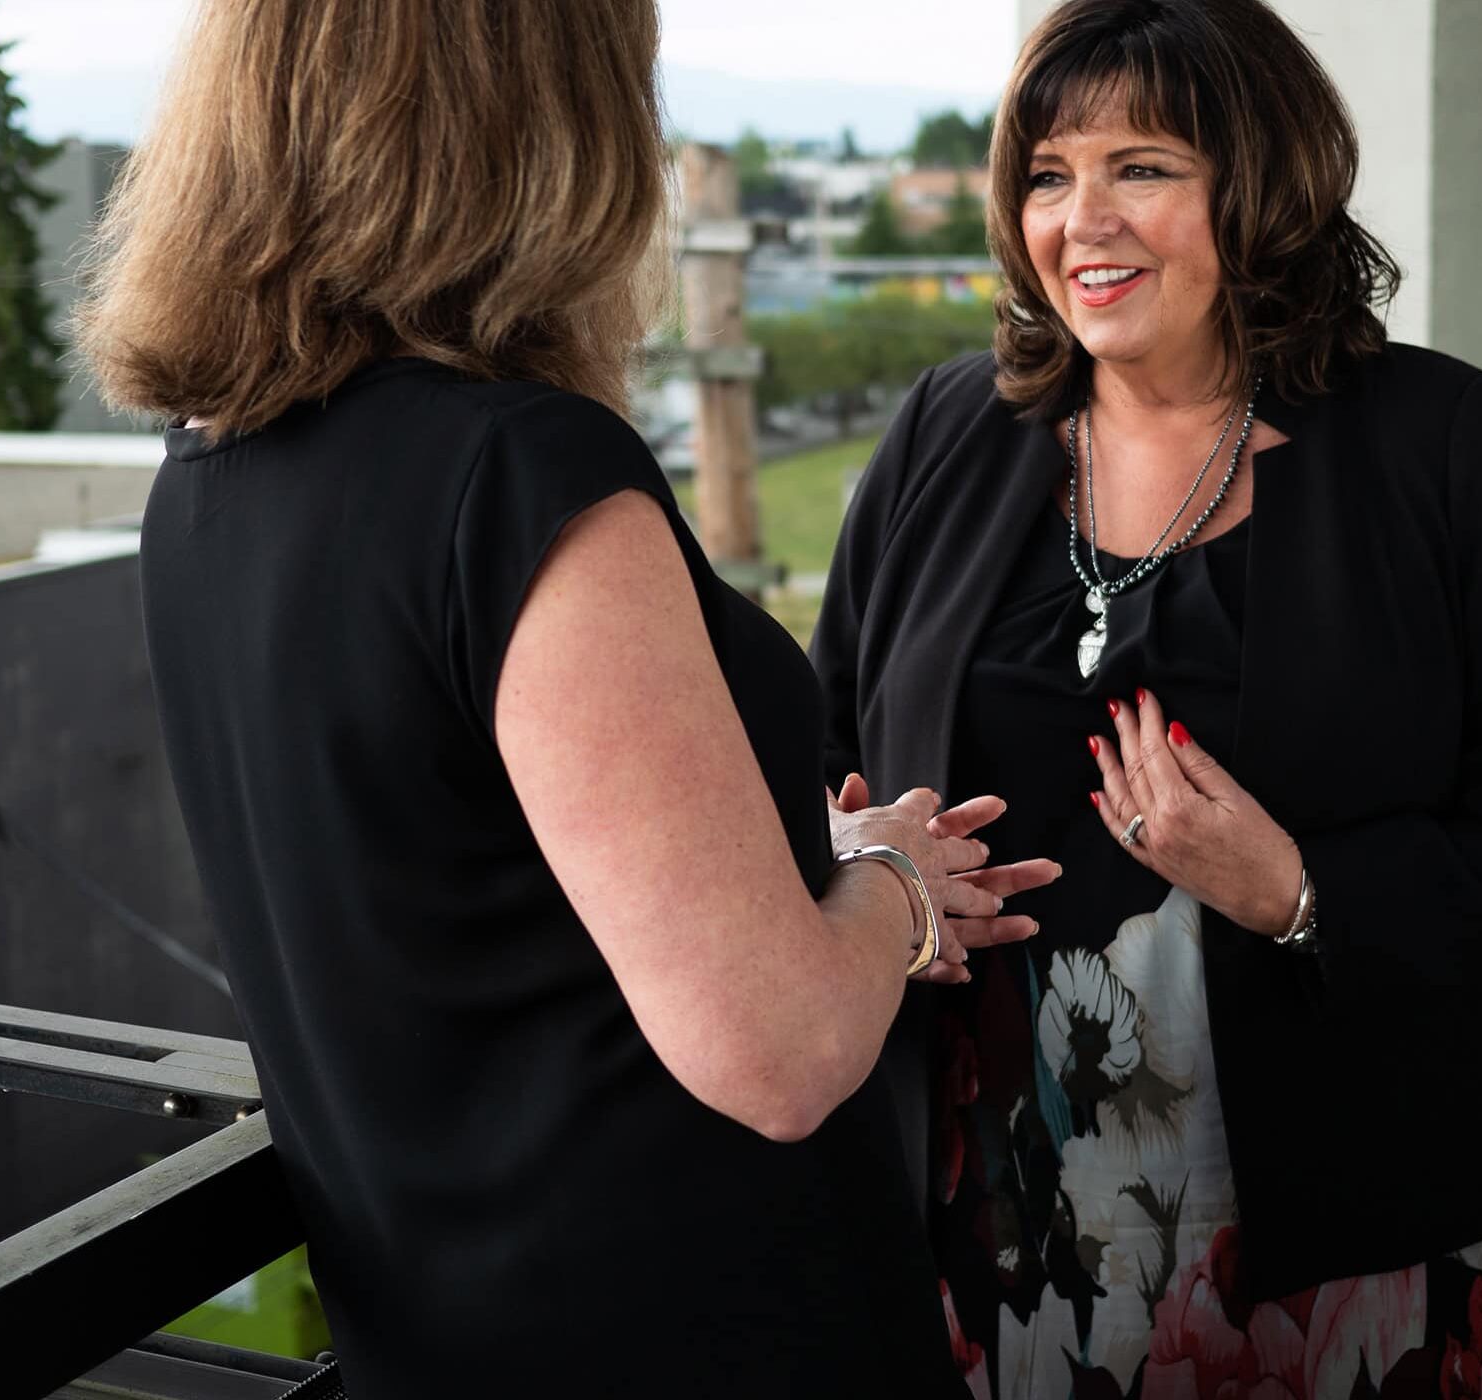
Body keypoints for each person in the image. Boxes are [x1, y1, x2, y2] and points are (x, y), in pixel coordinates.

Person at [72, 1, 1057, 1394]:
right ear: (544, 117)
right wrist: (893, 882)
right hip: (686, 1337)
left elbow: (471, 902)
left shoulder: (206, 483)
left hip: (435, 1333)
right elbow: (772, 1053)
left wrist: (791, 872)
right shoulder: (517, 478)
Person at [810, 2, 1482, 1396]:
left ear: (1258, 186)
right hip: (999, 1227)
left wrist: (1306, 892)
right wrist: (857, 859)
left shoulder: (1439, 442)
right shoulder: (945, 433)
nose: (1083, 221)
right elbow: (822, 754)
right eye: (1048, 173)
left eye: (1142, 167)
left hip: (1357, 1234)